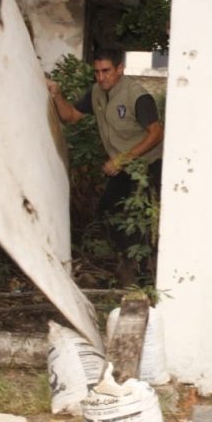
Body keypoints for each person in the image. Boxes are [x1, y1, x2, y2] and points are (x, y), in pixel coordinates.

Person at [47, 48, 163, 279]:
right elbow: (70, 116)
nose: (101, 77)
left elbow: (156, 133)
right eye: (97, 72)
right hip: (122, 168)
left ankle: (143, 272)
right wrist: (56, 94)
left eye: (106, 71)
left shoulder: (137, 96)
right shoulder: (96, 93)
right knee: (107, 212)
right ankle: (129, 262)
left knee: (141, 218)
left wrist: (122, 159)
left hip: (147, 166)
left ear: (120, 69)